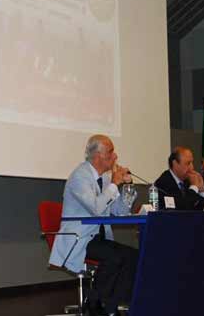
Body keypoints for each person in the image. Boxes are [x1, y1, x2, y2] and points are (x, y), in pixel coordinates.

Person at [49, 135, 138, 315]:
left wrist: (126, 187)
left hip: (98, 237)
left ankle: (110, 308)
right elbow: (97, 208)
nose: (115, 156)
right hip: (79, 238)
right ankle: (94, 302)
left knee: (133, 256)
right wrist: (114, 183)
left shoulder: (105, 179)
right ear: (98, 156)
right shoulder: (79, 177)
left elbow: (120, 211)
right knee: (114, 258)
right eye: (111, 152)